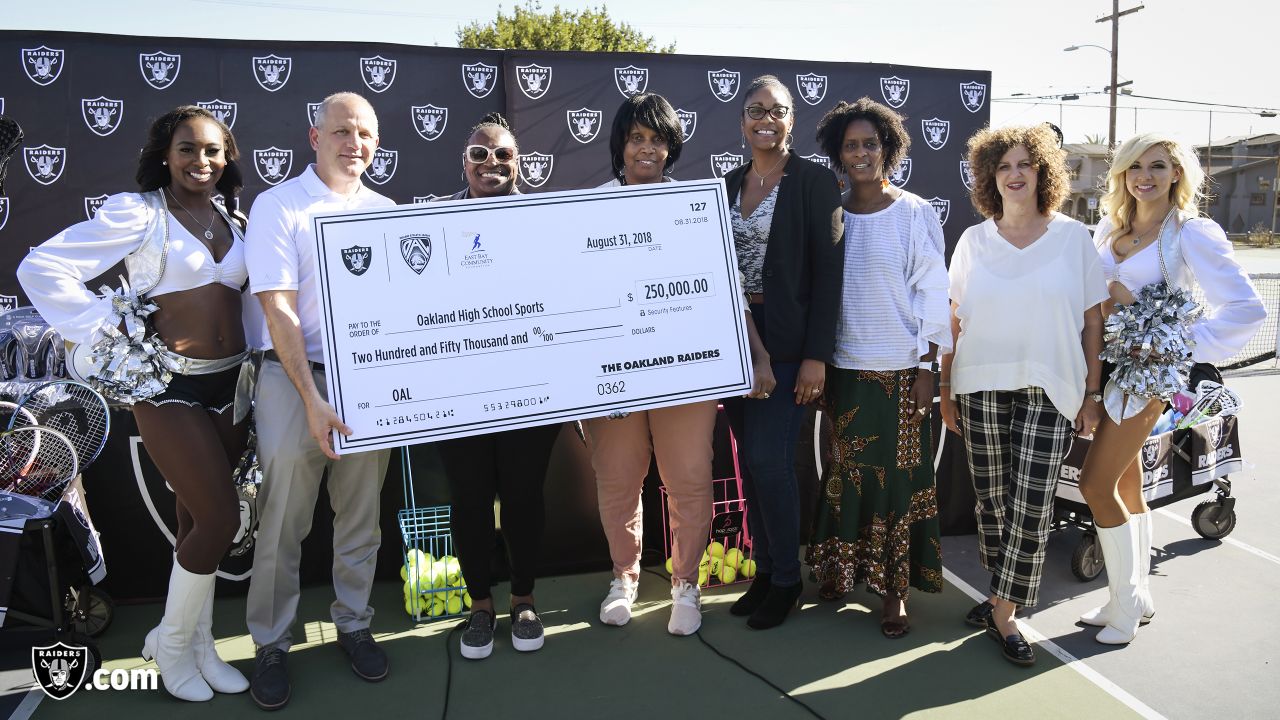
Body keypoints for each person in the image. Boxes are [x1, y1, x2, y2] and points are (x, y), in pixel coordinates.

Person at [18, 106, 251, 701]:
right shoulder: (140, 214)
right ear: (165, 156)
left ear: (227, 158)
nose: (201, 161)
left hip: (230, 386)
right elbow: (41, 267)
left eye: (213, 150)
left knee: (197, 520)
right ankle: (171, 647)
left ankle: (199, 645)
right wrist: (114, 332)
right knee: (221, 520)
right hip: (167, 387)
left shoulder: (235, 218)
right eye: (187, 149)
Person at [587, 93, 773, 637]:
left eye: (658, 139)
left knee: (689, 481)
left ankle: (685, 584)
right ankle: (623, 577)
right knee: (618, 482)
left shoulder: (699, 207)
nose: (648, 149)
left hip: (685, 372)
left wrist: (757, 353)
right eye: (637, 137)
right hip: (613, 377)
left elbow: (730, 291)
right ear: (620, 143)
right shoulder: (587, 207)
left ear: (672, 147)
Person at [1076, 133, 1264, 644]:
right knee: (1127, 485)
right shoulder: (1106, 229)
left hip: (1148, 377)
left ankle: (1124, 611)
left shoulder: (1190, 232)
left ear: (1177, 173)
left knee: (1094, 486)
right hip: (1103, 371)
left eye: (1157, 166)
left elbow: (1248, 310)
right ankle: (1132, 596)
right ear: (1120, 173)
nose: (1145, 176)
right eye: (1135, 166)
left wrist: (1172, 345)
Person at [243, 92, 393, 709]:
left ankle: (353, 622)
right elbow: (276, 308)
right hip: (289, 379)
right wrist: (310, 397)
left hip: (366, 382)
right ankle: (271, 643)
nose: (353, 143)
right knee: (281, 521)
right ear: (315, 136)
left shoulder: (386, 210)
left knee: (361, 515)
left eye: (364, 134)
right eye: (341, 131)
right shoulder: (279, 205)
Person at [938, 124, 1107, 666]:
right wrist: (944, 387)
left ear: (1043, 172)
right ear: (991, 176)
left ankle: (1006, 612)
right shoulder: (972, 241)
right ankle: (997, 593)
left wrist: (1092, 392)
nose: (1013, 175)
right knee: (993, 501)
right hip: (978, 384)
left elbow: (1091, 322)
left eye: (1024, 165)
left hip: (1052, 386)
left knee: (1032, 503)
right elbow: (953, 322)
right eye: (1003, 166)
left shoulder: (1073, 239)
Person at [805, 98, 949, 639]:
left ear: (888, 148)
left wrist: (929, 366)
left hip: (899, 375)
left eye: (870, 143)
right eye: (851, 146)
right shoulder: (832, 215)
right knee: (845, 477)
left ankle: (894, 594)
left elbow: (933, 292)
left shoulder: (914, 213)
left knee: (899, 485)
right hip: (843, 372)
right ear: (837, 155)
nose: (861, 153)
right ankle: (842, 572)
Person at [434, 112, 564, 660]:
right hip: (459, 391)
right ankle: (480, 605)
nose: (492, 163)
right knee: (468, 500)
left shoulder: (550, 221)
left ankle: (525, 600)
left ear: (519, 164)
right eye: (480, 154)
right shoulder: (431, 227)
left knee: (523, 497)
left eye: (503, 155)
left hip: (530, 388)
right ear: (464, 163)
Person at [720, 75, 844, 630]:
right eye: (755, 110)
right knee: (751, 463)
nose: (765, 118)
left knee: (771, 459)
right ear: (742, 120)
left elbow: (829, 274)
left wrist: (817, 355)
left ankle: (788, 580)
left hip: (789, 340)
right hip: (734, 336)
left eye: (777, 110)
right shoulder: (726, 184)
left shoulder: (815, 183)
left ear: (791, 120)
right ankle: (766, 570)